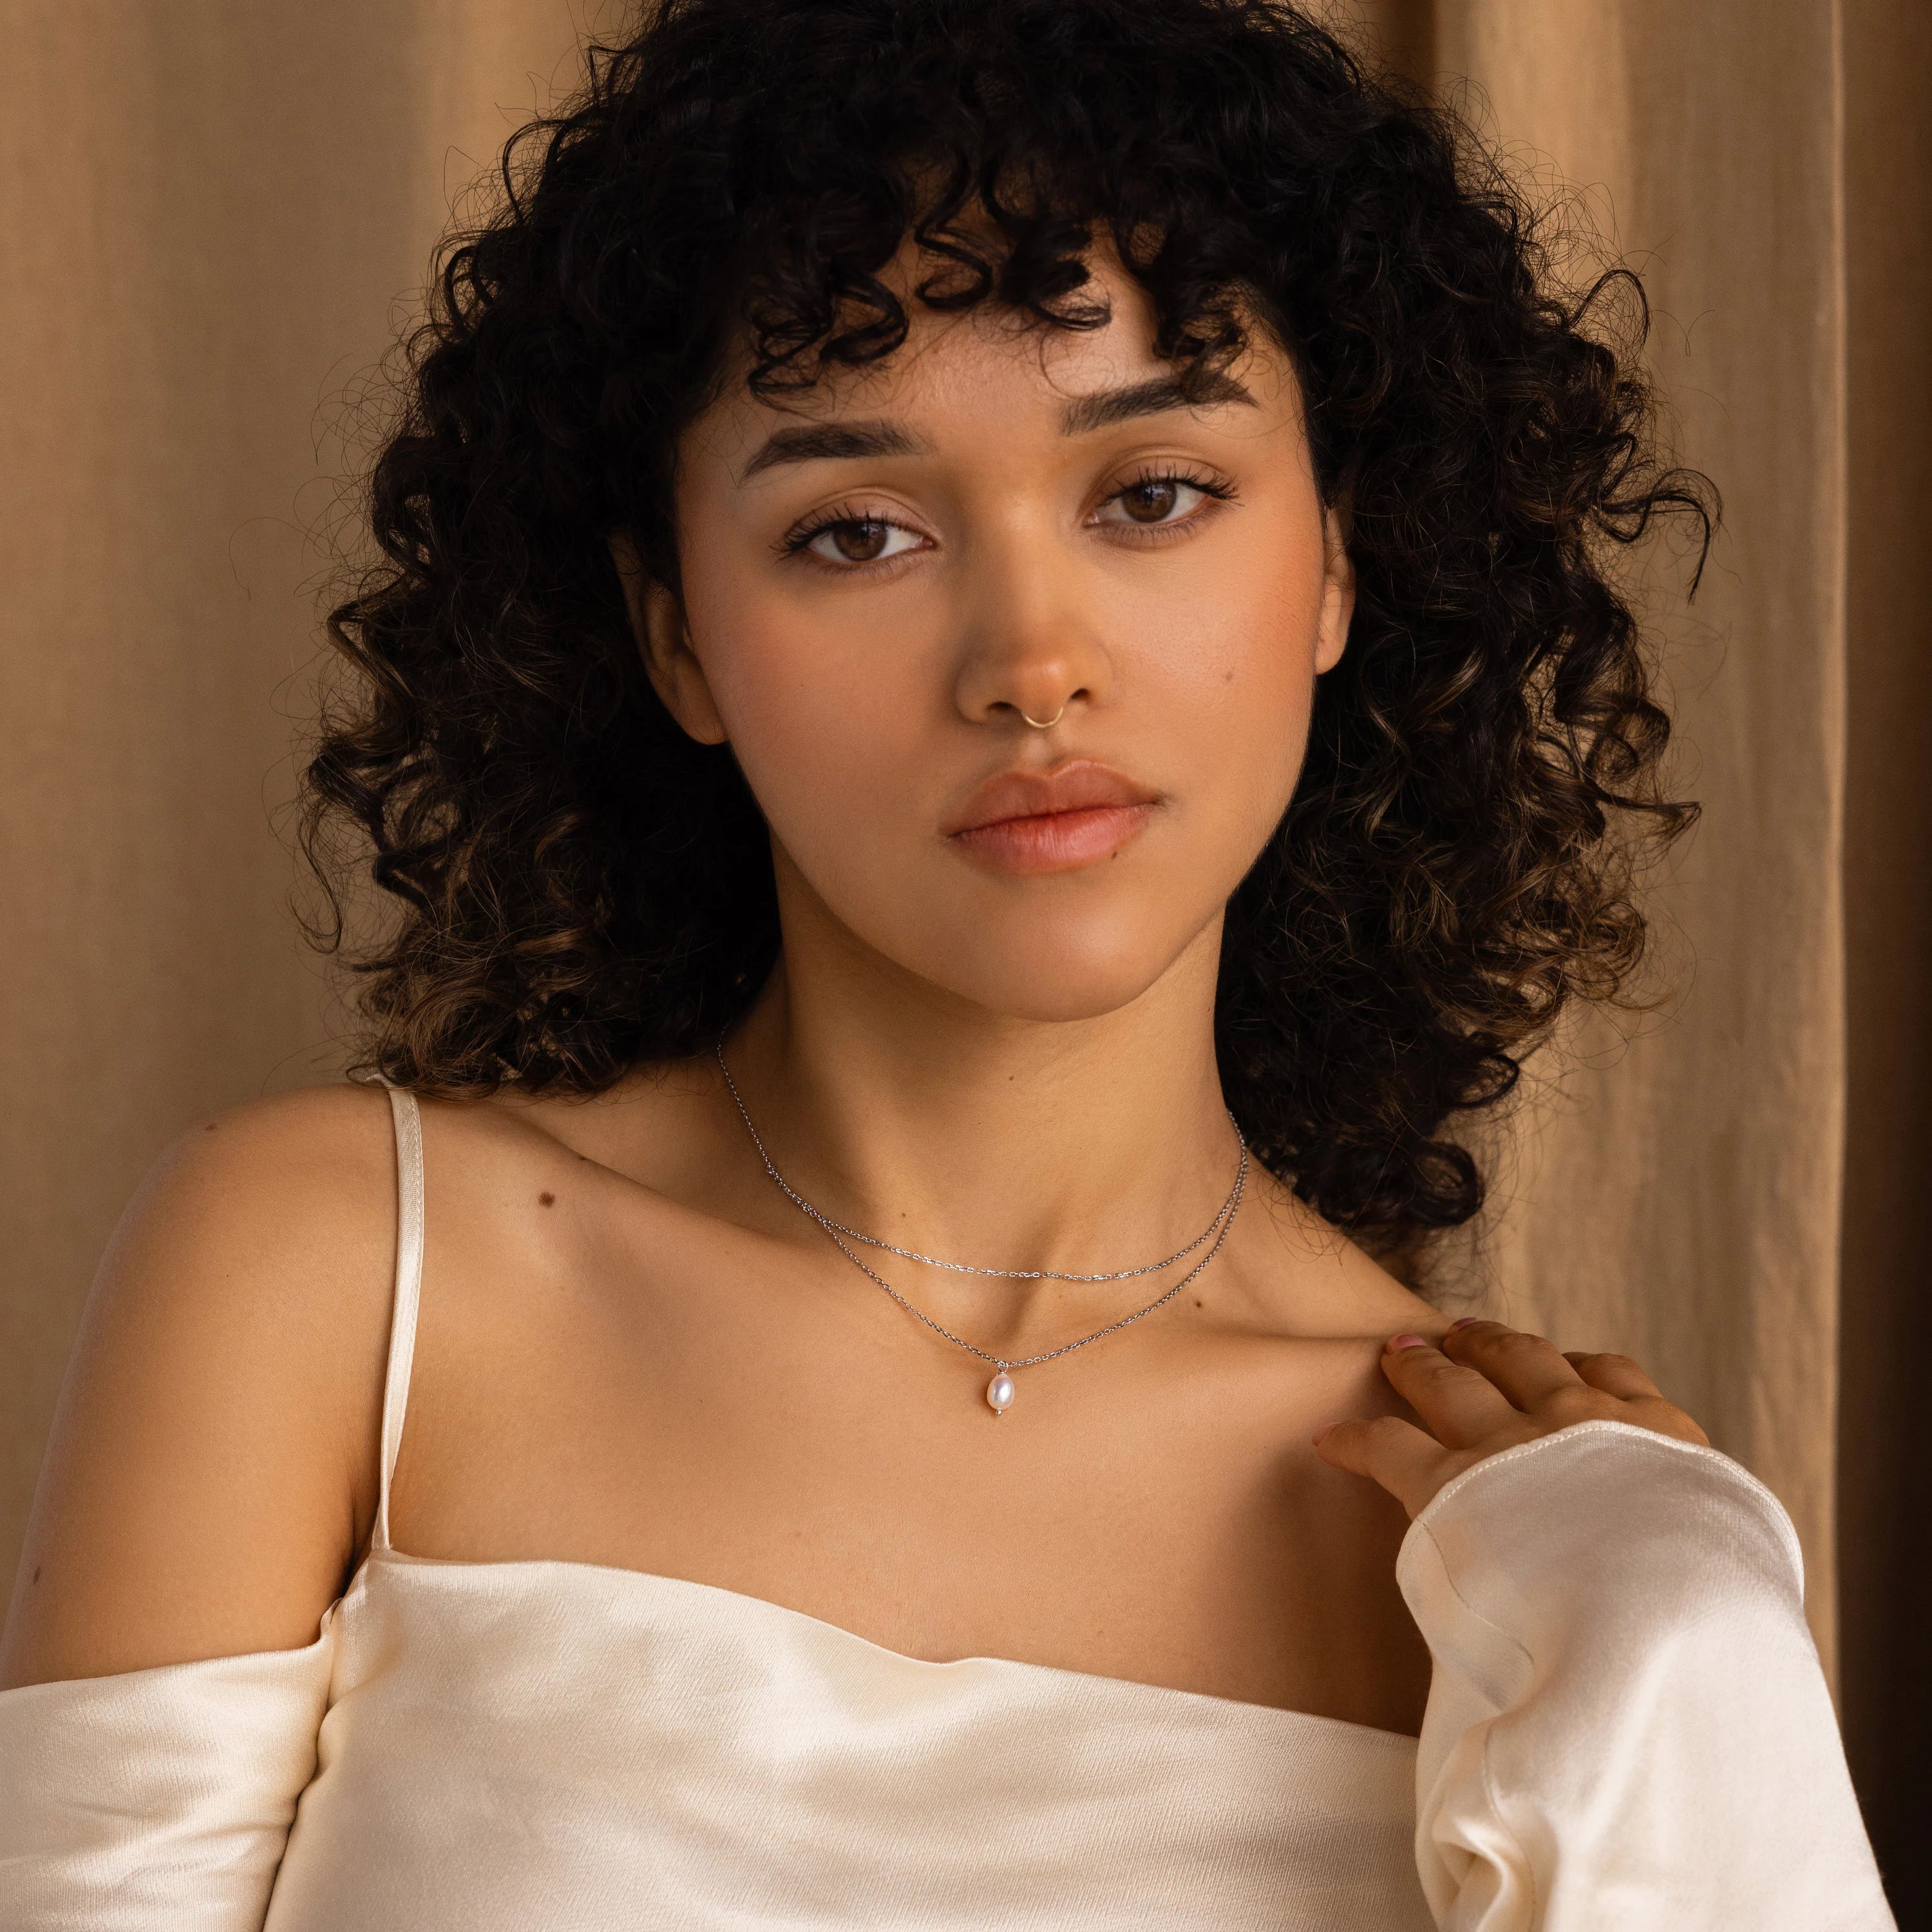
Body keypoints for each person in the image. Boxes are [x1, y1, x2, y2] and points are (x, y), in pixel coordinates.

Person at [0, 0, 1893, 1924]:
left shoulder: (1506, 1552)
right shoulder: (339, 1274)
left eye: (1153, 493)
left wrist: (1684, 1646)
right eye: (858, 531)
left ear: (1336, 560)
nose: (1029, 658)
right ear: (676, 641)